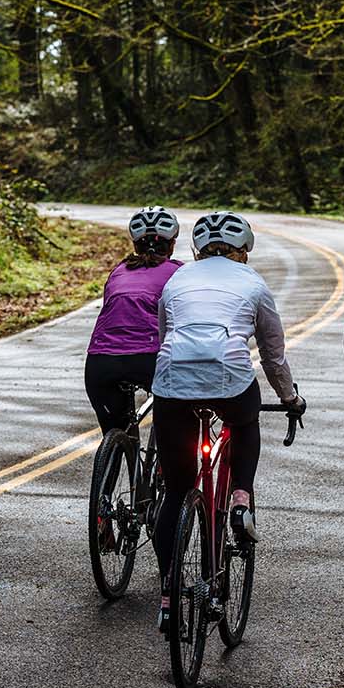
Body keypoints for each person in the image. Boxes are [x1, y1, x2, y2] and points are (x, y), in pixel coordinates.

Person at [150, 211, 304, 630]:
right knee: (244, 421)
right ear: (245, 252)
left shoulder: (176, 280)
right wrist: (289, 398)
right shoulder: (254, 284)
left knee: (176, 492)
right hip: (230, 378)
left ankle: (167, 596)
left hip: (172, 383)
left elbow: (165, 336)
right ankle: (240, 497)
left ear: (197, 251)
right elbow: (273, 356)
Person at [84, 206, 183, 435]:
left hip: (101, 362)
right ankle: (164, 466)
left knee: (117, 429)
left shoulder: (118, 271)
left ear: (135, 245)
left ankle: (116, 453)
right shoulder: (179, 272)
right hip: (151, 358)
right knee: (174, 429)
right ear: (171, 244)